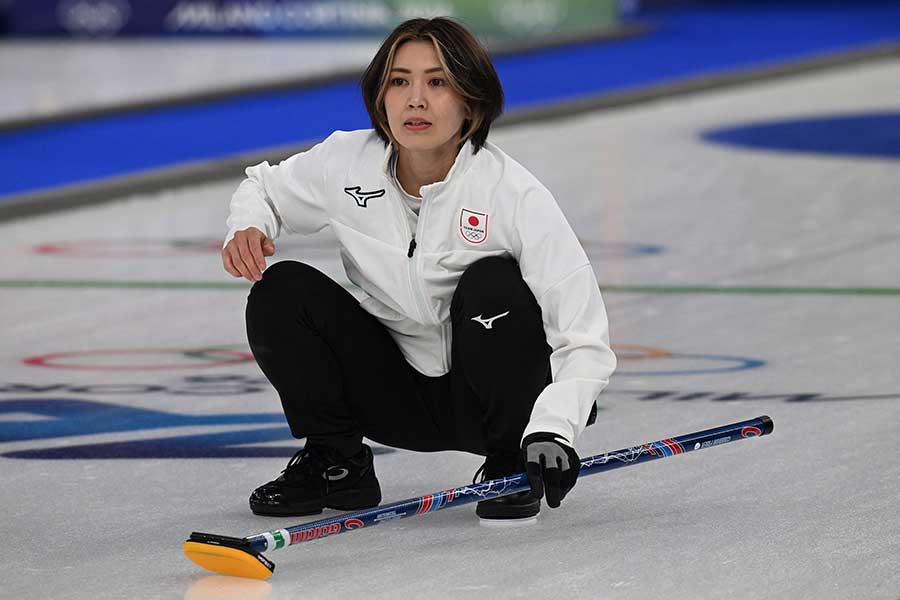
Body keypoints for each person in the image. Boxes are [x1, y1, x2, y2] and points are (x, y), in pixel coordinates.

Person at [222, 17, 616, 522]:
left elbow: (584, 338)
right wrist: (249, 225)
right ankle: (338, 463)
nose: (415, 99)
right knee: (280, 291)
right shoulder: (346, 161)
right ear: (380, 96)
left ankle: (509, 460)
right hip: (395, 395)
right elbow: (263, 187)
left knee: (492, 284)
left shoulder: (514, 195)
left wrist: (552, 429)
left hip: (488, 403)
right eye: (399, 81)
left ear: (471, 102)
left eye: (438, 82)